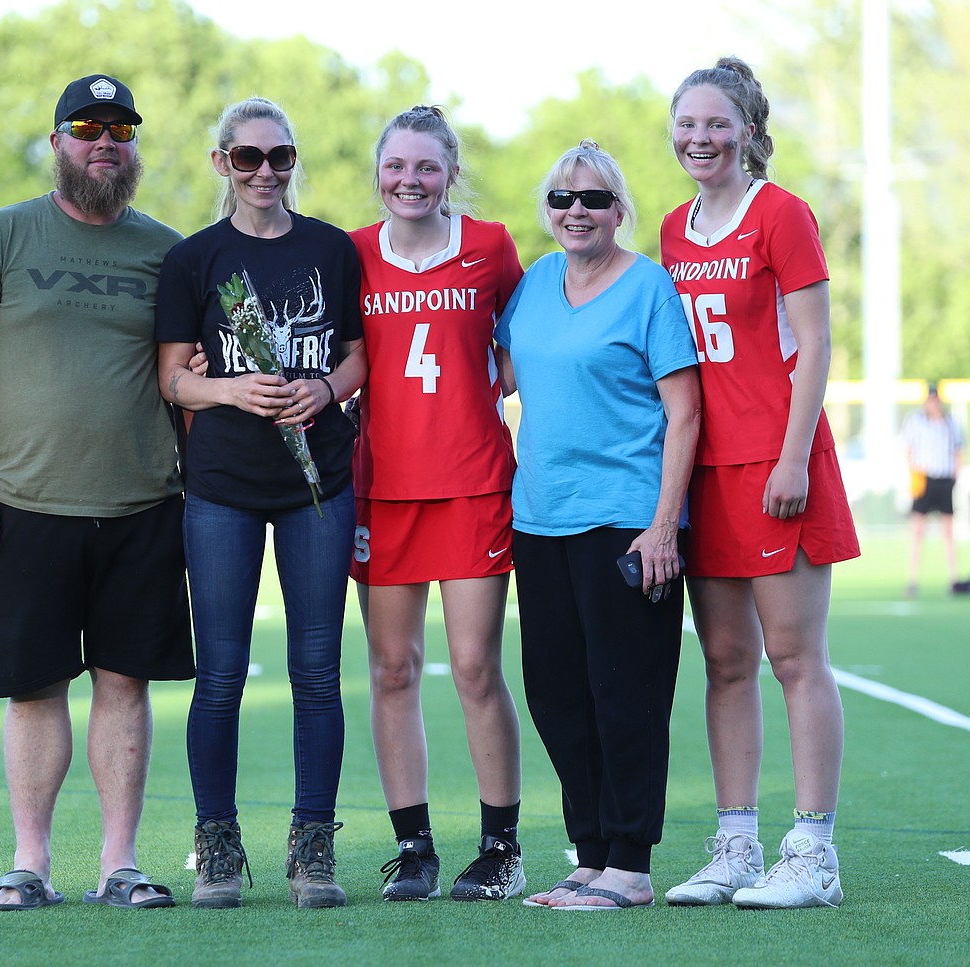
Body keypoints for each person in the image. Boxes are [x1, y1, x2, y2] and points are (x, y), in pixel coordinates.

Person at [0, 73, 193, 911]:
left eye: (121, 130)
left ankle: (119, 863)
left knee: (125, 685)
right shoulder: (1, 235)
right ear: (57, 142)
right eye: (87, 128)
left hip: (142, 506)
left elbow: (189, 378)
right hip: (27, 506)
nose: (105, 143)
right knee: (34, 686)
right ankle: (31, 862)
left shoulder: (167, 250)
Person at [155, 96, 366, 910]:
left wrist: (324, 387)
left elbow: (357, 357)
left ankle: (313, 845)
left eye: (280, 156)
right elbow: (173, 377)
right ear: (222, 165)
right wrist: (233, 390)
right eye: (248, 158)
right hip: (222, 491)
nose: (266, 172)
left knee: (317, 673)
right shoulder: (195, 258)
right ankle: (217, 844)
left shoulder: (331, 249)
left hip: (319, 486)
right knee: (221, 677)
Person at [660, 57, 861, 910]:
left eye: (716, 124)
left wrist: (790, 455)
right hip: (706, 466)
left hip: (777, 460)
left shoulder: (782, 213)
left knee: (793, 657)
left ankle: (813, 850)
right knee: (727, 659)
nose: (700, 138)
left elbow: (813, 344)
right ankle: (736, 842)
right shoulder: (672, 227)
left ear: (748, 130)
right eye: (688, 125)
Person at [494, 140, 701, 910]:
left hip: (626, 522)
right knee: (556, 694)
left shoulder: (649, 288)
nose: (575, 212)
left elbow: (685, 412)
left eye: (592, 199)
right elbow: (505, 371)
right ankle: (589, 852)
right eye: (561, 199)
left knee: (627, 695)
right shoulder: (538, 283)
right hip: (540, 519)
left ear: (619, 210)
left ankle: (631, 864)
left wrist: (663, 526)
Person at [349, 105, 526, 902]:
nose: (410, 181)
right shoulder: (351, 253)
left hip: (473, 483)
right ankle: (413, 846)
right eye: (397, 166)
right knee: (393, 668)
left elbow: (524, 353)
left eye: (427, 167)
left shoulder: (489, 246)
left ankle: (500, 846)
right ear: (378, 171)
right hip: (382, 488)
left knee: (473, 666)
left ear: (451, 172)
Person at [902, 382, 966, 596]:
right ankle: (912, 579)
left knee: (948, 531)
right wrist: (914, 475)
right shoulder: (916, 421)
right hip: (925, 479)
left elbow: (959, 450)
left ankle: (953, 578)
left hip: (944, 479)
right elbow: (909, 449)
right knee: (918, 531)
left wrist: (955, 474)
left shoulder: (950, 423)